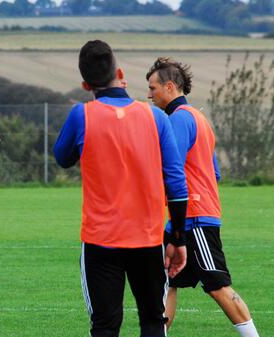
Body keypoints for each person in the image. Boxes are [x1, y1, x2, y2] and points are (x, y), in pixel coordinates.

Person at [53, 40, 189, 337]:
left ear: (86, 84)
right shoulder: (155, 117)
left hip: (101, 241)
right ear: (121, 72)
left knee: (105, 325)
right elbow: (177, 184)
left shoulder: (81, 115)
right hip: (148, 238)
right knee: (154, 321)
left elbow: (62, 157)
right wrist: (178, 237)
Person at [146, 57, 261, 337]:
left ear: (170, 87)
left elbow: (168, 167)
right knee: (166, 281)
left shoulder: (179, 119)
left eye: (152, 88)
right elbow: (215, 174)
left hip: (194, 219)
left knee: (217, 285)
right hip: (188, 216)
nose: (149, 95)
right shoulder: (200, 119)